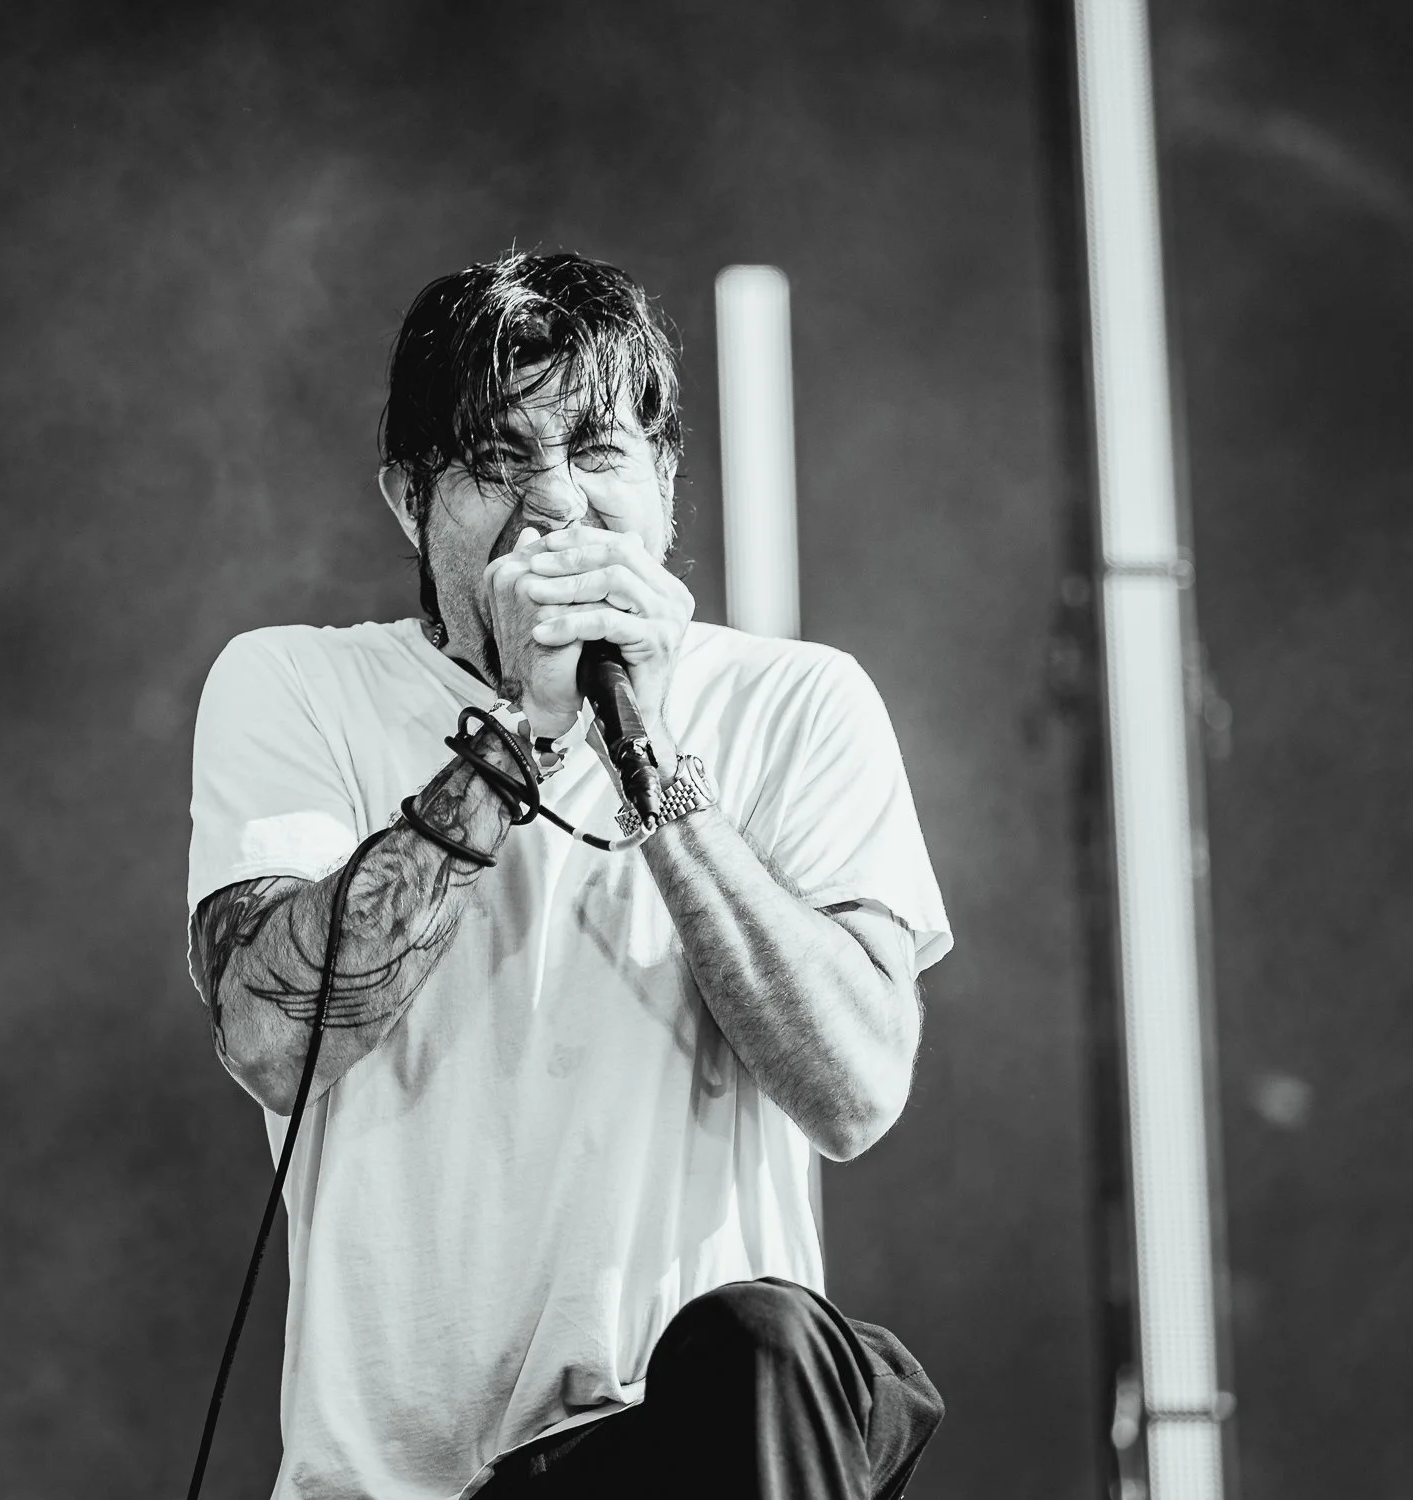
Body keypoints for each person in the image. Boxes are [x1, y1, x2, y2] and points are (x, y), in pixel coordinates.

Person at [184, 250, 951, 1500]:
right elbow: (272, 1041)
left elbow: (857, 1091)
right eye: (497, 464)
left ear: (665, 481)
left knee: (770, 1345)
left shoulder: (799, 701)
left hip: (673, 1451)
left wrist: (644, 749)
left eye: (597, 452)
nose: (555, 506)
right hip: (395, 1484)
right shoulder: (297, 685)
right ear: (409, 501)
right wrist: (519, 737)